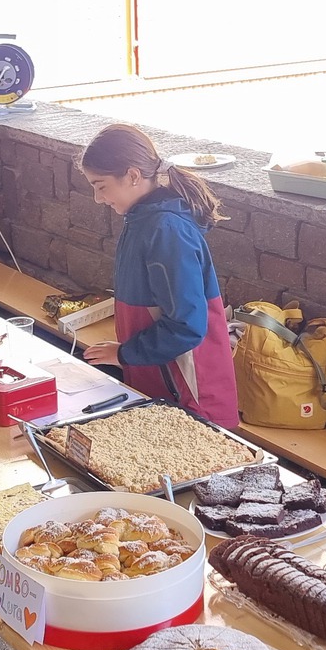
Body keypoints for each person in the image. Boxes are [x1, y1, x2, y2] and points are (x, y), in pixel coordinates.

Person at [78, 124, 241, 428]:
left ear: (133, 176)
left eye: (100, 186)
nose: (98, 198)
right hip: (159, 378)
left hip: (190, 394)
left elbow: (188, 325)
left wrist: (125, 354)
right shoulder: (141, 219)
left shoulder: (166, 230)